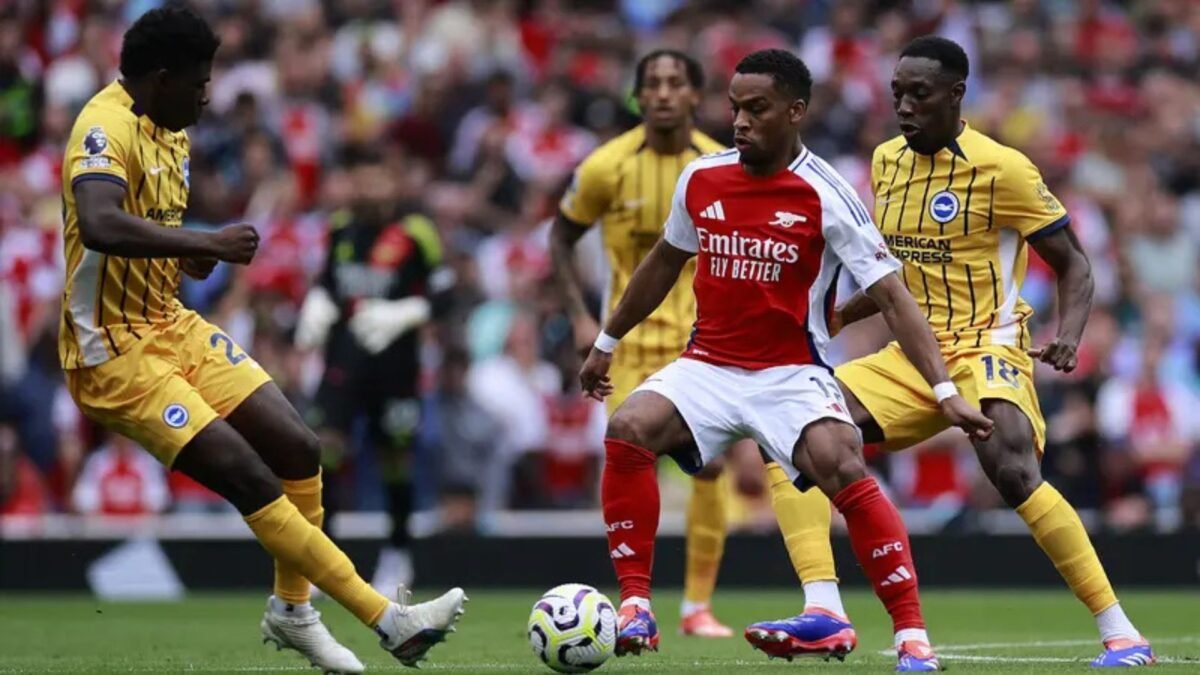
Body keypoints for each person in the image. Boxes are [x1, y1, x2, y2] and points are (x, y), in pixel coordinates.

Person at [57, 7, 464, 673]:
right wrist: (203, 240)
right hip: (114, 351)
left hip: (170, 323)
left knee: (298, 447)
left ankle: (292, 610)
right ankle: (388, 618)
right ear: (160, 79)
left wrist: (183, 258)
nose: (207, 93)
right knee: (248, 473)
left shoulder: (172, 130)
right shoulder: (101, 129)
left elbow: (145, 225)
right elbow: (100, 222)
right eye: (199, 81)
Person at [746, 36, 1155, 669]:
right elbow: (892, 272)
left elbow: (1075, 264)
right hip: (911, 352)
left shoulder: (1004, 168)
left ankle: (1122, 633)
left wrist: (1069, 334)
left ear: (957, 94)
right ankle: (823, 608)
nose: (904, 108)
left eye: (920, 95)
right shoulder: (886, 162)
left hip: (985, 342)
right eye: (896, 95)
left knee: (1012, 469)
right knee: (791, 431)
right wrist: (836, 313)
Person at [579, 48, 993, 672]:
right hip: (708, 365)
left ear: (795, 112)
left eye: (757, 109)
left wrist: (943, 391)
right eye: (735, 108)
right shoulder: (703, 179)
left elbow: (893, 299)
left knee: (842, 462)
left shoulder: (827, 194)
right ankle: (635, 606)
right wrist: (606, 343)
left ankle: (911, 636)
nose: (740, 121)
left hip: (791, 372)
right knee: (629, 427)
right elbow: (663, 263)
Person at [551, 48, 848, 641]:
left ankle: (696, 605)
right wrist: (587, 321)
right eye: (652, 84)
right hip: (634, 343)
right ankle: (638, 601)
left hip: (706, 342)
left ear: (694, 96)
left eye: (675, 83)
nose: (663, 94)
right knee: (633, 448)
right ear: (638, 96)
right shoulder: (606, 166)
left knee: (713, 466)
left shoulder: (724, 162)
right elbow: (560, 237)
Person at [295, 146, 439, 594]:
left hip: (395, 368)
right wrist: (316, 302)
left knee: (394, 459)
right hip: (343, 362)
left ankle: (398, 553)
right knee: (326, 452)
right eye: (360, 180)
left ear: (394, 183)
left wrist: (408, 312)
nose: (368, 189)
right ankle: (324, 555)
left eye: (377, 180)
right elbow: (327, 280)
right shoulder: (340, 229)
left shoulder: (415, 234)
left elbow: (446, 293)